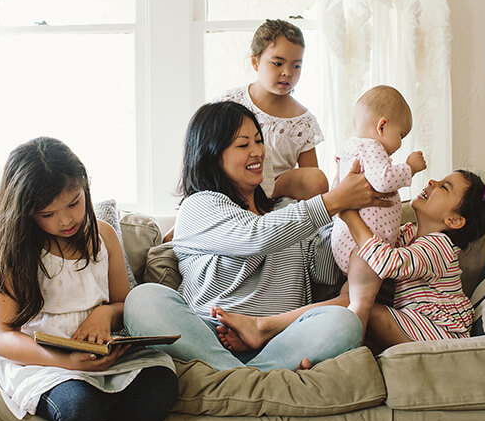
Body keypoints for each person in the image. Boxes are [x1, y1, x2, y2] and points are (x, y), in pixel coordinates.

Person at [124, 101, 392, 372]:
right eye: (243, 145)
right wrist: (331, 201)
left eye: (258, 141)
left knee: (343, 322)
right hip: (207, 339)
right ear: (212, 155)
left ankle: (238, 378)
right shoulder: (199, 206)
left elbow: (326, 272)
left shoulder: (288, 210)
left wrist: (348, 212)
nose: (257, 152)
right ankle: (248, 376)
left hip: (279, 342)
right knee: (143, 300)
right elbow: (256, 236)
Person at [0, 137, 178, 421]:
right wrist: (67, 362)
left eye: (74, 203)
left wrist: (105, 313)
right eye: (47, 214)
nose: (65, 220)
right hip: (40, 362)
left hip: (100, 353)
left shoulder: (103, 236)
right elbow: (2, 337)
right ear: (25, 212)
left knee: (162, 382)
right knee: (81, 409)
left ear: (85, 188)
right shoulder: (15, 251)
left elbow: (124, 303)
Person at [217, 169, 485, 355]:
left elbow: (385, 262)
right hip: (413, 324)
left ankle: (269, 331)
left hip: (438, 334)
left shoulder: (440, 247)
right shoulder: (411, 232)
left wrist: (349, 215)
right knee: (354, 302)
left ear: (454, 221)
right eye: (438, 180)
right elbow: (375, 242)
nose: (432, 183)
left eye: (444, 188)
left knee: (363, 308)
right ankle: (292, 347)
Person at [218, 18, 328, 200]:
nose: (288, 72)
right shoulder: (231, 103)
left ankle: (265, 199)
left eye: (296, 65)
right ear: (255, 62)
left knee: (316, 179)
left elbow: (311, 179)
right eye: (278, 63)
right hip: (234, 186)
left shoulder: (303, 120)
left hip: (277, 193)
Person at [331, 85, 427, 274]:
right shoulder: (371, 147)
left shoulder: (350, 150)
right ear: (381, 126)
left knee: (352, 292)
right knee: (362, 299)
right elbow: (384, 180)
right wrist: (411, 167)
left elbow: (335, 187)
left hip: (348, 244)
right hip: (363, 248)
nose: (400, 144)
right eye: (401, 135)